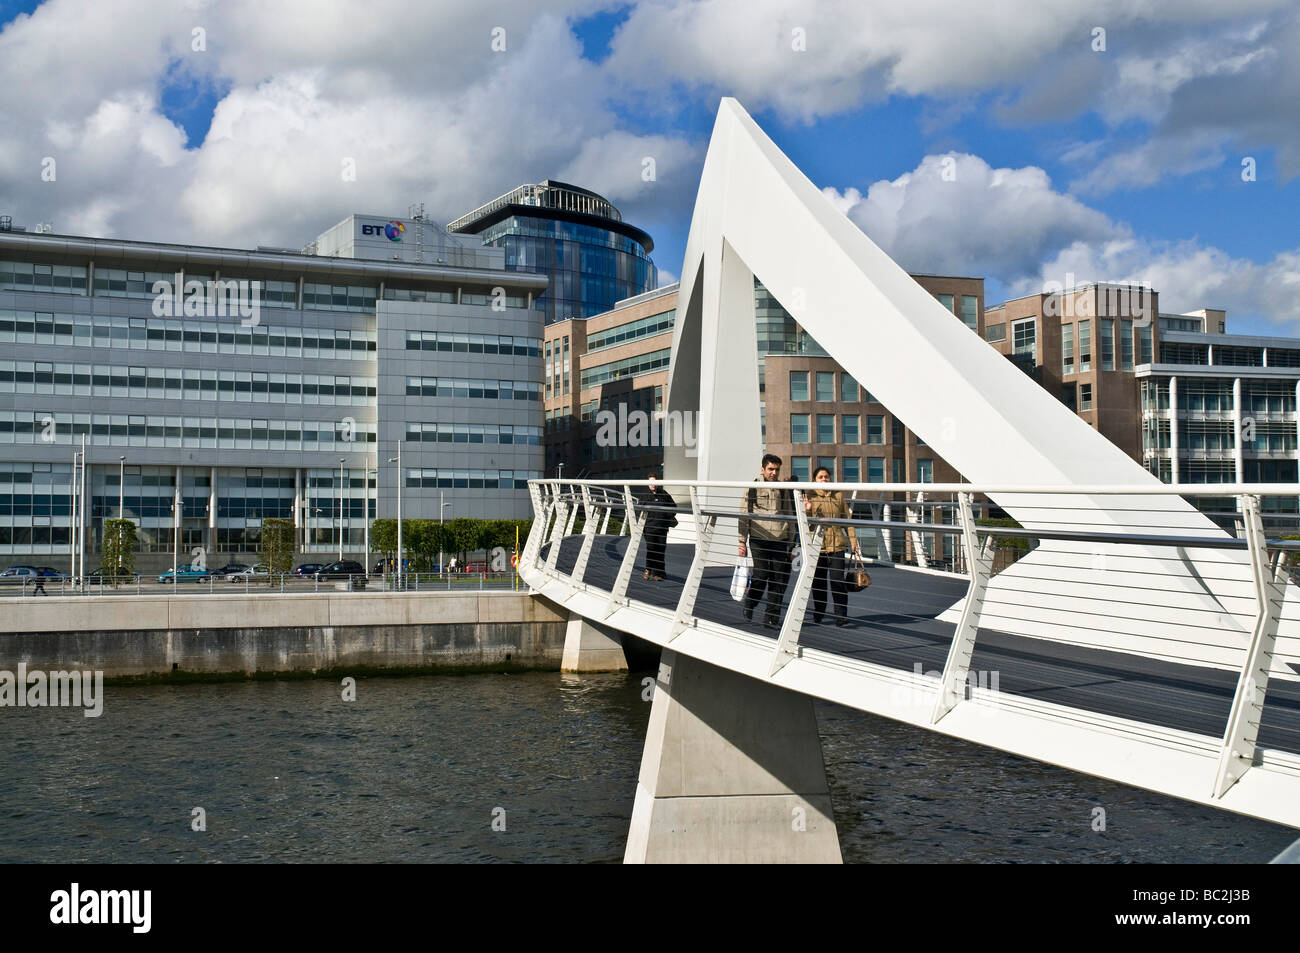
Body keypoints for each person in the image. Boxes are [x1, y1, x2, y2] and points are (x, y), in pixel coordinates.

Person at [738, 453, 795, 629]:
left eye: (776, 470)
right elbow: (743, 515)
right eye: (770, 469)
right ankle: (751, 602)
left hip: (780, 538)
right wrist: (741, 541)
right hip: (758, 538)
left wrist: (792, 543)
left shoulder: (783, 489)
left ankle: (771, 619)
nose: (773, 473)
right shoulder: (752, 488)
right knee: (761, 576)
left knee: (778, 580)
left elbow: (790, 515)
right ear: (763, 469)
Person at [804, 466, 860, 626]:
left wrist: (853, 541)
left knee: (838, 581)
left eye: (826, 477)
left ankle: (841, 615)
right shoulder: (809, 497)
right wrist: (807, 511)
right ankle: (819, 612)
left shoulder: (838, 496)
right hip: (817, 547)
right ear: (814, 480)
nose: (824, 480)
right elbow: (804, 525)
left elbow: (847, 521)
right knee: (819, 583)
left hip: (837, 547)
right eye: (820, 477)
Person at [641, 474, 677, 582]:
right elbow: (639, 511)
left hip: (662, 528)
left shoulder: (664, 494)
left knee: (661, 550)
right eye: (650, 482)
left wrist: (666, 517)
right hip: (649, 529)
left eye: (654, 482)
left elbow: (673, 507)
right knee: (651, 549)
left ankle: (658, 573)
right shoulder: (644, 496)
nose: (653, 484)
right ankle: (648, 570)